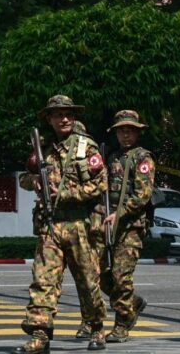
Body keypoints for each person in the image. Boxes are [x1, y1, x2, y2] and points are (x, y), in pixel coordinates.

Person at [15, 95, 107, 353]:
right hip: (50, 225)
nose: (64, 119)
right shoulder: (43, 149)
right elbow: (24, 178)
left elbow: (101, 183)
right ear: (49, 119)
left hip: (79, 225)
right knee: (43, 281)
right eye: (58, 115)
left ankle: (97, 328)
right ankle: (40, 334)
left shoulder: (86, 148)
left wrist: (65, 194)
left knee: (87, 281)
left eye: (68, 114)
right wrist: (33, 180)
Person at [74, 110, 153, 343]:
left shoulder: (143, 158)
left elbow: (142, 196)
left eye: (130, 130)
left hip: (130, 226)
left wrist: (119, 214)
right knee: (99, 275)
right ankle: (132, 303)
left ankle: (122, 324)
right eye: (121, 131)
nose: (126, 135)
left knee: (121, 277)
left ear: (137, 133)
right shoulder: (110, 157)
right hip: (106, 224)